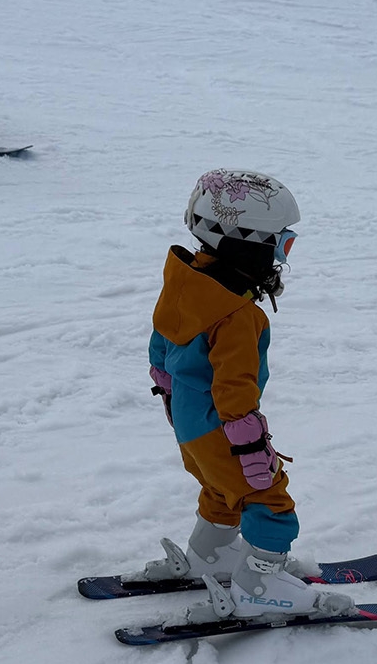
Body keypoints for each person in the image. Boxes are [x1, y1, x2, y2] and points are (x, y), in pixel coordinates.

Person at [136, 170, 354, 624]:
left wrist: (174, 401)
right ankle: (260, 585)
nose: (281, 255)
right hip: (220, 423)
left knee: (220, 487)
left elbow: (161, 342)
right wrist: (252, 446)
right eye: (281, 242)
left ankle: (210, 555)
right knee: (267, 499)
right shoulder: (237, 316)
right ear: (245, 241)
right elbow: (234, 389)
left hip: (190, 422)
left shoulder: (185, 280)